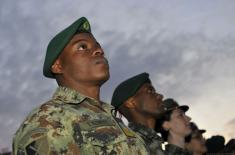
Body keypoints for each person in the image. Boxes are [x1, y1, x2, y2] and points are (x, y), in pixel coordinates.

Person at [12, 17, 149, 155]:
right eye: (82, 47)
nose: (99, 51)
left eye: (98, 46)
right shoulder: (49, 120)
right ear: (58, 66)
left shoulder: (112, 117)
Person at [111, 72, 165, 155]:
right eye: (150, 91)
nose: (160, 96)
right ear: (130, 103)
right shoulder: (126, 145)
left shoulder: (152, 140)